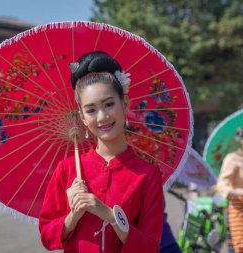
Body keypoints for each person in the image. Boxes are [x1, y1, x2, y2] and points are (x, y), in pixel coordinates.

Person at [39, 51, 164, 253]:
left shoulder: (147, 175)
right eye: (91, 110)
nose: (102, 117)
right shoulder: (67, 169)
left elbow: (150, 247)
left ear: (125, 105)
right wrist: (74, 215)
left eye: (108, 104)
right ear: (82, 117)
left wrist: (109, 215)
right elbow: (47, 236)